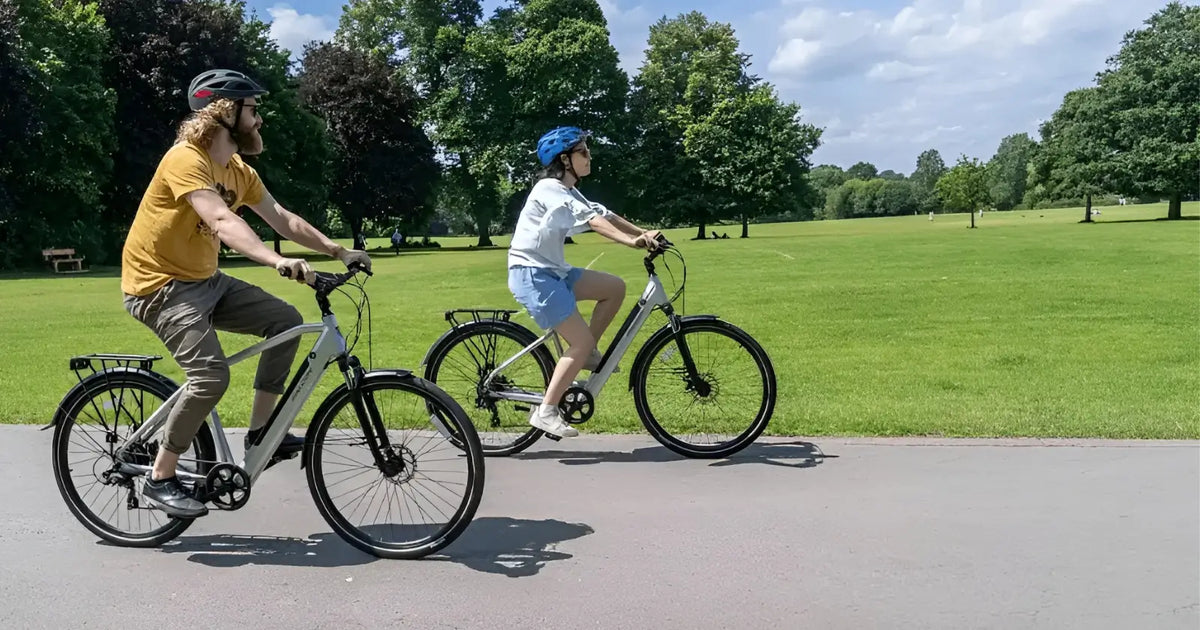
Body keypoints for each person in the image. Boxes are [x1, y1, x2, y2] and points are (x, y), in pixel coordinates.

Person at [120, 69, 371, 518]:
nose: (259, 120)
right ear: (225, 111)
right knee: (211, 377)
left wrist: (337, 250)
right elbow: (219, 220)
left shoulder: (238, 170)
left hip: (205, 282)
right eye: (252, 109)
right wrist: (276, 261)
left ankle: (261, 434)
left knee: (287, 322)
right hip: (159, 286)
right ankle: (161, 474)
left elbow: (281, 217)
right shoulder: (186, 159)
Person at [507, 126, 661, 438]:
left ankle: (586, 354)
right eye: (583, 152)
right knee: (578, 342)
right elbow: (593, 222)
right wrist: (632, 243)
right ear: (565, 159)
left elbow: (606, 214)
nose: (589, 157)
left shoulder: (569, 190)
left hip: (554, 272)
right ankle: (546, 411)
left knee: (614, 288)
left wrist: (642, 232)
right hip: (533, 275)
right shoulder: (549, 188)